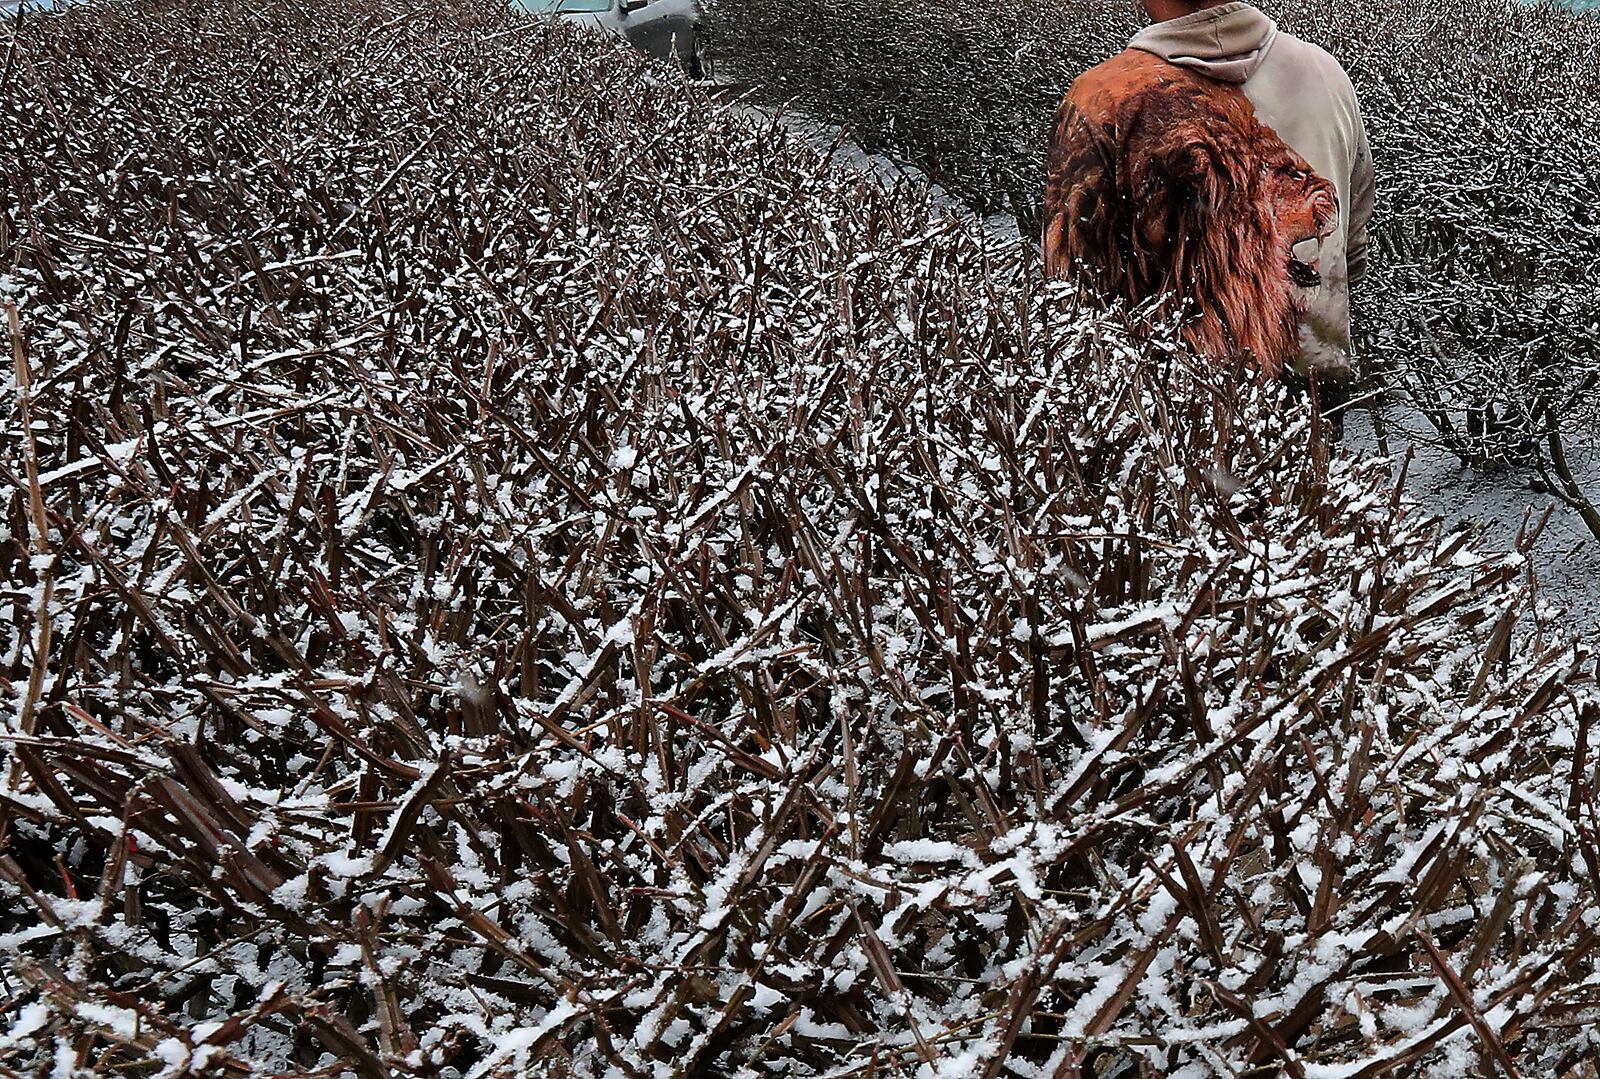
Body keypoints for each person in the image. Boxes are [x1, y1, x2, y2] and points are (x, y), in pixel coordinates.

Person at [1043, 0, 1374, 407]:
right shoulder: (1325, 74)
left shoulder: (1099, 101)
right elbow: (1352, 254)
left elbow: (1068, 302)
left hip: (1172, 420)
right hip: (1318, 392)